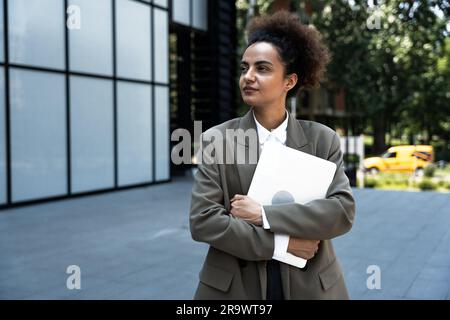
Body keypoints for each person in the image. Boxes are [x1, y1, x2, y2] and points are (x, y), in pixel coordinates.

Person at [189, 10, 356, 300]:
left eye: (262, 68)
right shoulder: (216, 140)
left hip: (312, 283)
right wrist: (281, 245)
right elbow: (204, 221)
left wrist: (264, 214)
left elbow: (340, 212)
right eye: (244, 68)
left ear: (289, 81)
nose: (248, 77)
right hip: (236, 287)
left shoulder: (322, 139)